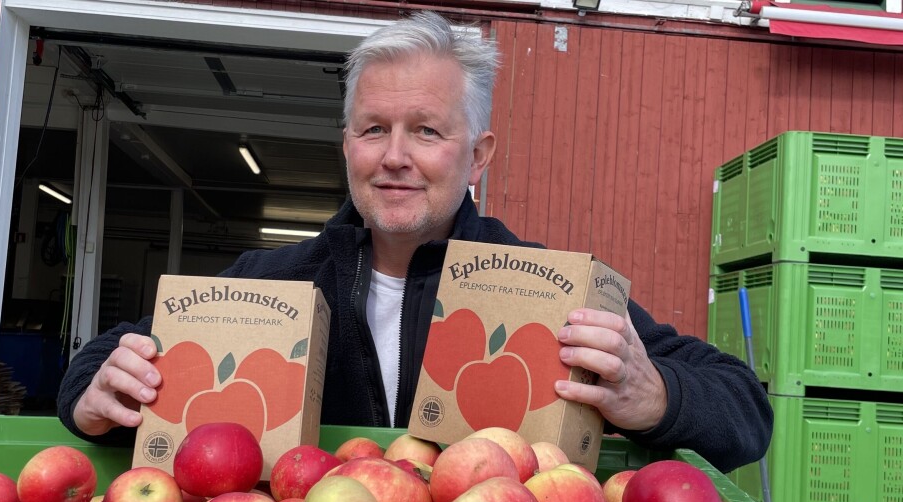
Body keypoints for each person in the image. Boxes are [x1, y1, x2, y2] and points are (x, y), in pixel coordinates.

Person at [58, 10, 771, 473]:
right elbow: (109, 355)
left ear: (478, 154)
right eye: (374, 129)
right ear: (348, 146)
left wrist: (658, 397)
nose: (395, 156)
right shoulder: (268, 283)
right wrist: (94, 393)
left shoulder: (549, 293)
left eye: (427, 131)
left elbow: (745, 407)